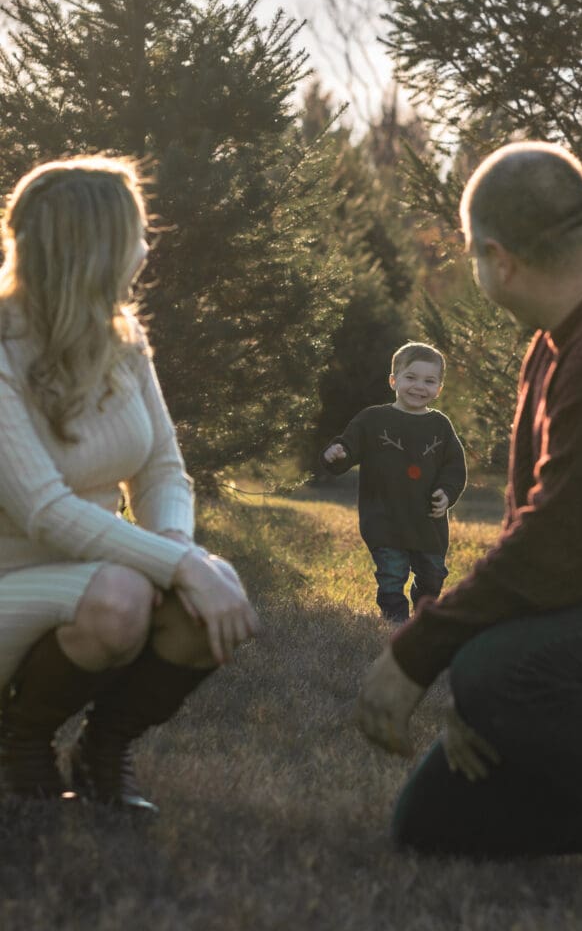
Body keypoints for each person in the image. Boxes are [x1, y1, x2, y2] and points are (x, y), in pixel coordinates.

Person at [355, 141, 582, 919]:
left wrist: (426, 652)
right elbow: (536, 521)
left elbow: (557, 554)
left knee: (507, 673)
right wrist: (471, 662)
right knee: (436, 823)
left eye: (470, 258)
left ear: (496, 258)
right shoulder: (573, 326)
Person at [0, 156, 259, 814]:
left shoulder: (123, 336)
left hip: (91, 572)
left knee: (205, 601)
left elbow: (161, 468)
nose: (147, 249)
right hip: (11, 577)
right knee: (121, 597)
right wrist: (179, 565)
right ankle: (19, 745)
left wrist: (181, 552)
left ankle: (104, 750)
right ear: (93, 249)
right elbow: (44, 511)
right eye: (137, 234)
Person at [321, 342, 466, 623]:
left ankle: (421, 617)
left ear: (439, 387)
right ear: (393, 380)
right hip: (384, 518)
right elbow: (348, 447)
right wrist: (336, 453)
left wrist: (446, 493)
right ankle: (395, 625)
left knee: (433, 576)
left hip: (428, 523)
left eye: (429, 380)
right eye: (410, 377)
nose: (419, 386)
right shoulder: (373, 419)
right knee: (391, 575)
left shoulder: (441, 426)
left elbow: (455, 467)